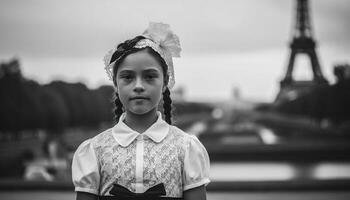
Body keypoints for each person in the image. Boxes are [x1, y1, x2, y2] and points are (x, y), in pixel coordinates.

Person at [72, 22, 210, 200]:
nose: (138, 86)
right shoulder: (94, 150)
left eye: (149, 76)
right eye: (128, 77)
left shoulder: (186, 148)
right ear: (115, 83)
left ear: (165, 81)